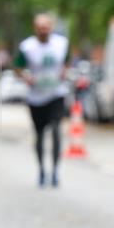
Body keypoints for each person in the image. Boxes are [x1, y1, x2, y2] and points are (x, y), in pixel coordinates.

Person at [14, 14, 69, 188]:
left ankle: (55, 171)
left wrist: (64, 72)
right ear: (35, 28)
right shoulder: (27, 47)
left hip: (56, 93)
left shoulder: (62, 44)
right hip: (36, 97)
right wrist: (26, 78)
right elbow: (17, 67)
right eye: (40, 27)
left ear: (51, 27)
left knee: (55, 129)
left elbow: (67, 62)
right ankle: (41, 170)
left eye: (46, 27)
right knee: (39, 134)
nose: (43, 30)